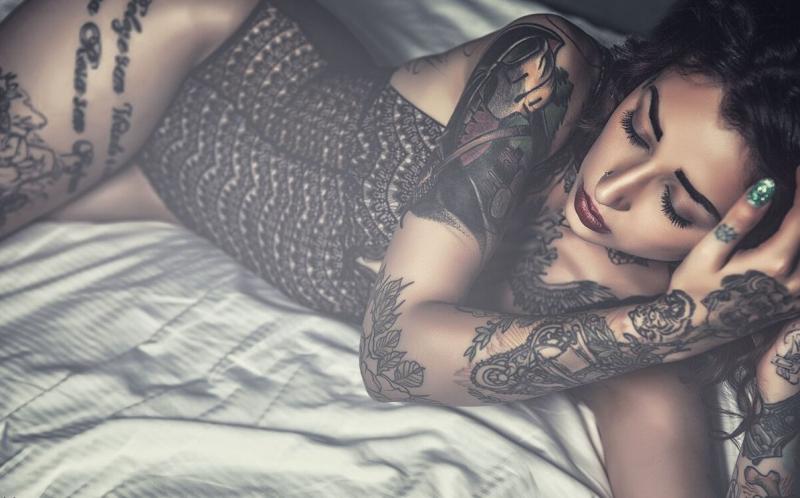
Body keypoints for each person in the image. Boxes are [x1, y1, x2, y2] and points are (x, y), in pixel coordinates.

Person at [0, 0, 798, 496]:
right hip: (186, 44)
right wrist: (682, 322)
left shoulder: (639, 335)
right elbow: (393, 354)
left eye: (676, 203)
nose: (616, 184)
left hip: (162, 189)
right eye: (639, 127)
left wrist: (777, 404)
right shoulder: (546, 71)